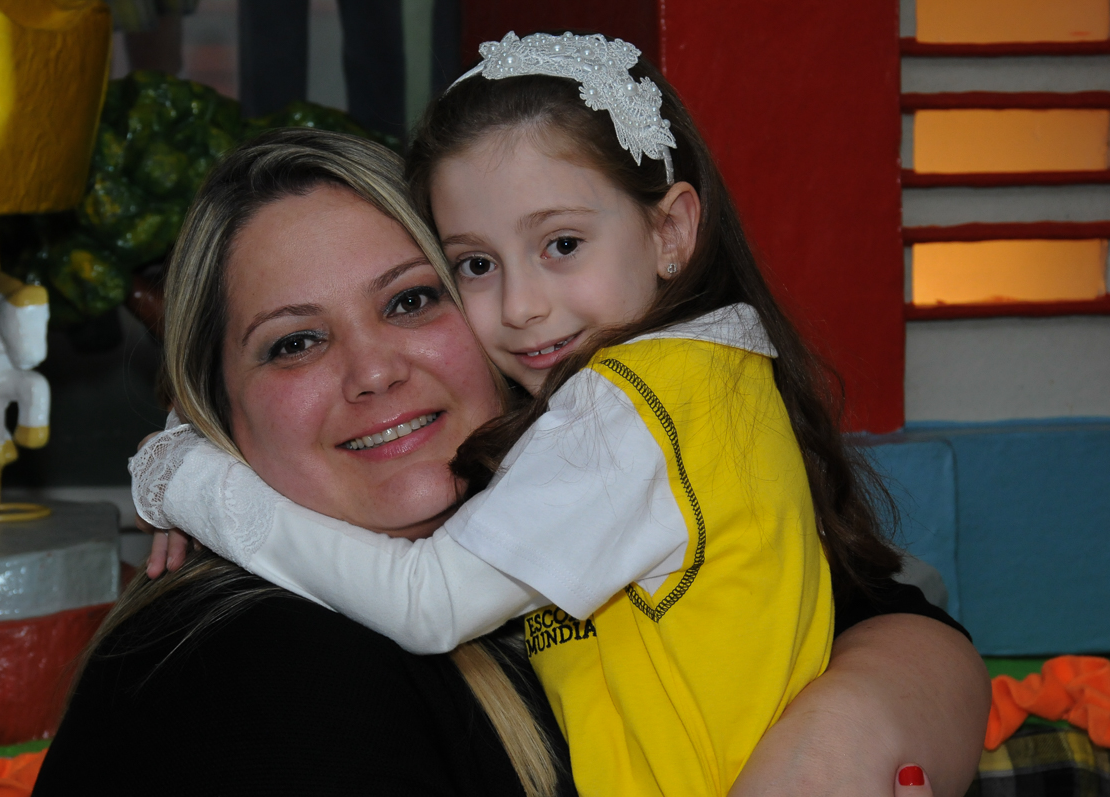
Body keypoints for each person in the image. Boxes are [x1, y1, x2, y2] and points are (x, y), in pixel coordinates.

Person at [128, 37, 985, 797]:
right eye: (294, 343)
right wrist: (190, 456)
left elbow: (891, 600)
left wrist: (190, 478)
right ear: (218, 401)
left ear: (670, 231)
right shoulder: (232, 668)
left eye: (412, 299)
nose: (524, 305)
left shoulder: (625, 412)